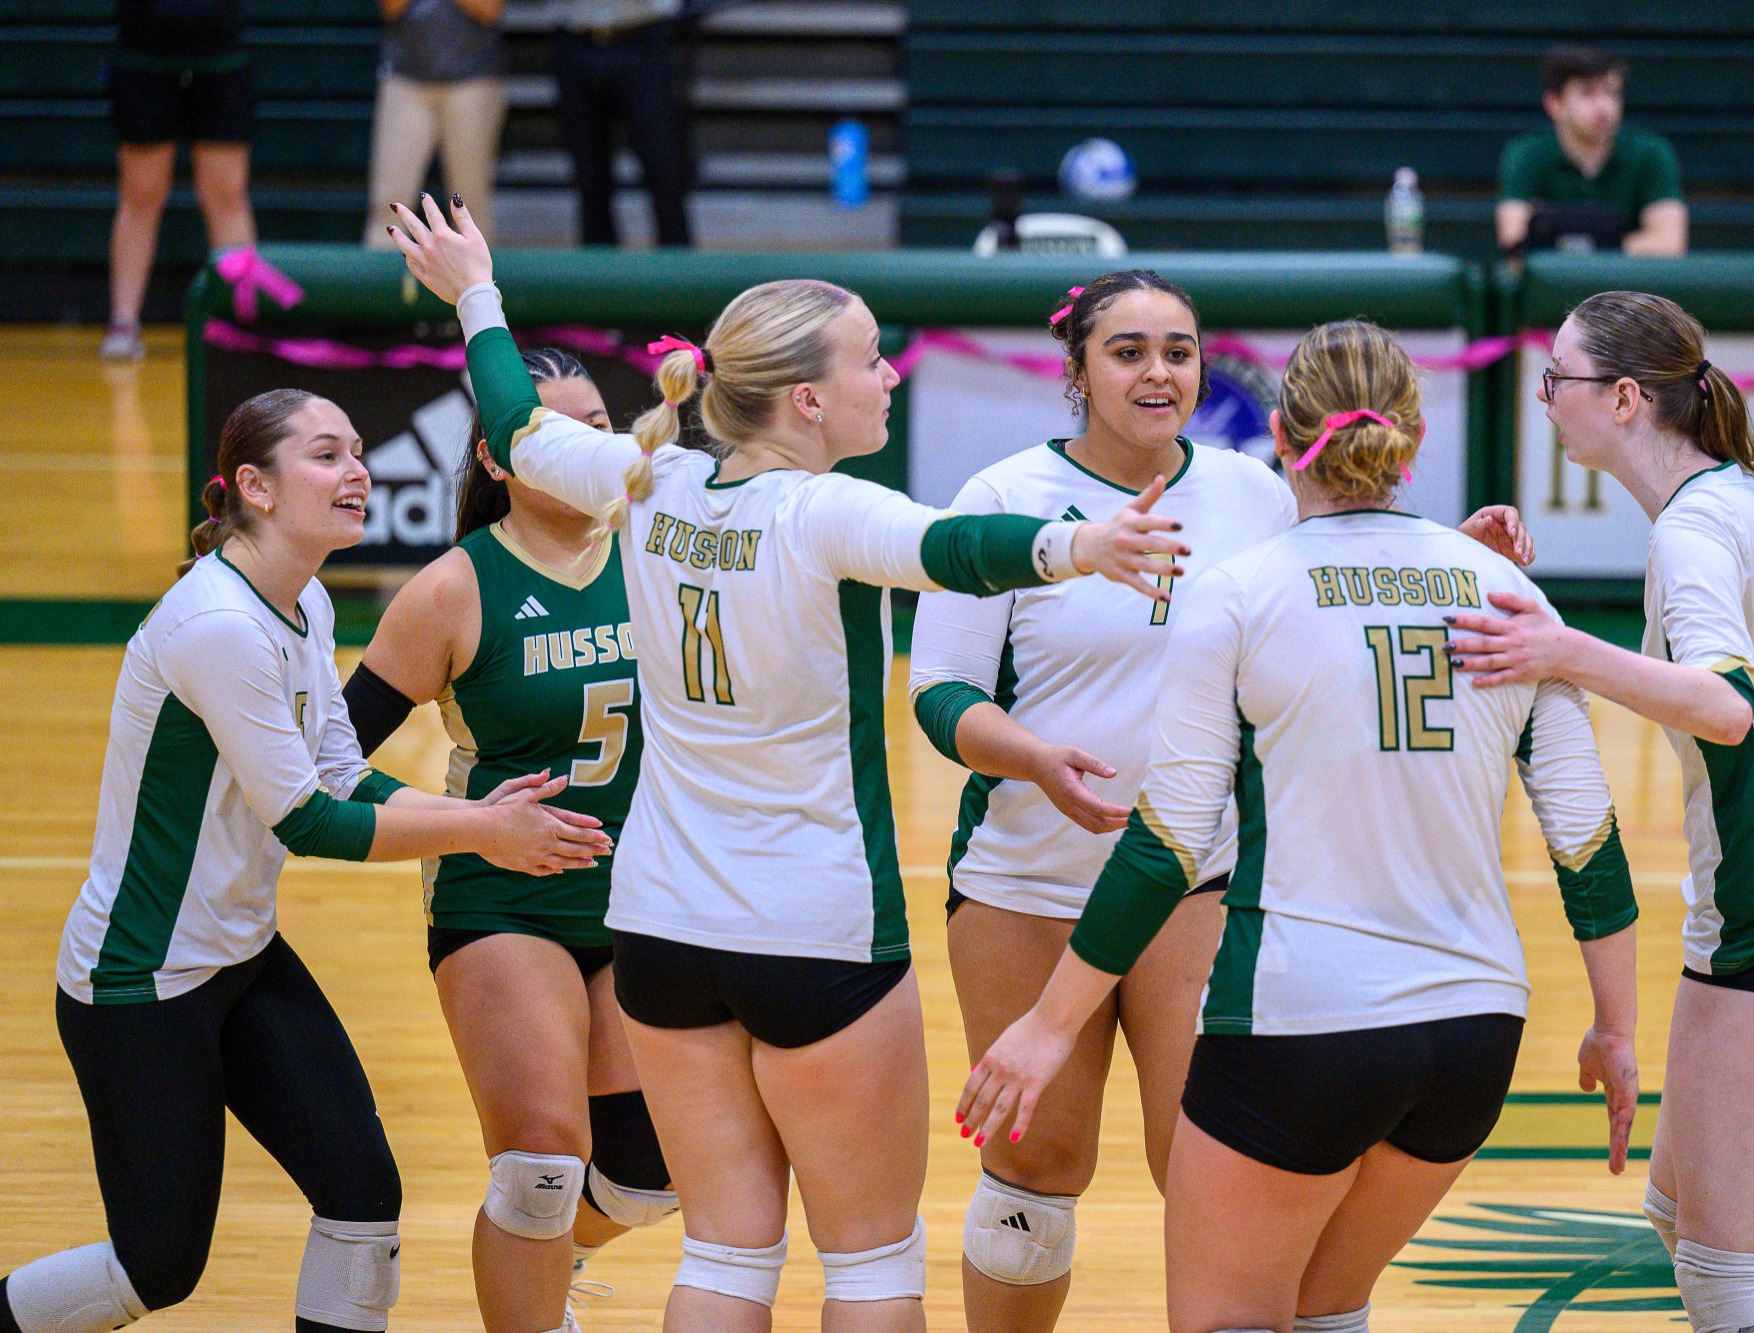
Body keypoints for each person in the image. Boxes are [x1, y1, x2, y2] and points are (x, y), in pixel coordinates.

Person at [388, 191, 1190, 1333]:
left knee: (722, 1256)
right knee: (867, 1266)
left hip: (660, 930)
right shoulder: (821, 511)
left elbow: (514, 424)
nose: (892, 376)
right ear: (809, 397)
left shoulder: (644, 481)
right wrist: (1082, 542)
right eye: (872, 360)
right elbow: (955, 550)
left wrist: (476, 291)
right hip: (814, 932)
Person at [956, 318, 1641, 1333]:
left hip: (1297, 1025)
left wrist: (1045, 1029)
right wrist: (1615, 1028)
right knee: (1326, 1305)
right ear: (1410, 440)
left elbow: (1166, 845)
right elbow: (1584, 837)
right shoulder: (1506, 590)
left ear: (1278, 435)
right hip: (1472, 1033)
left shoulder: (1237, 593)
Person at [0, 389, 612, 1333]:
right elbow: (310, 820)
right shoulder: (218, 627)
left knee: (363, 1201)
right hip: (142, 979)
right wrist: (480, 831)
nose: (358, 470)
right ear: (256, 485)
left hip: (241, 958)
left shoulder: (305, 599)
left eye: (361, 450)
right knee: (157, 1266)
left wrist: (473, 814)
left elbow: (339, 769)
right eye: (328, 455)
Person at [1443, 290, 1754, 1333]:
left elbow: (1724, 705)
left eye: (1557, 377)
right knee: (1672, 1209)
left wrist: (1559, 651)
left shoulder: (1690, 535)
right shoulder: (1743, 495)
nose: (1544, 394)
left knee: (1721, 1275)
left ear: (1623, 398)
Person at [342, 350, 675, 1333]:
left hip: (648, 897)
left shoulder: (661, 546)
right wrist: (475, 826)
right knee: (537, 1166)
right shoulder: (451, 588)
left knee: (649, 1177)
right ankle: (528, 1285)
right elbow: (320, 764)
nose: (590, 450)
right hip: (504, 904)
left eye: (598, 426)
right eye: (554, 431)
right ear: (496, 456)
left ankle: (533, 1268)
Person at [103, 0, 257, 360]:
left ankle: (240, 321)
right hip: (144, 54)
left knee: (226, 195)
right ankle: (124, 321)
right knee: (141, 194)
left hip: (219, 54)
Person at [1496, 45, 1687, 258]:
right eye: (1587, 93)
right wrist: (1614, 246)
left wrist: (1576, 246)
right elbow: (1513, 245)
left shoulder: (1651, 152)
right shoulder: (1526, 153)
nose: (1603, 107)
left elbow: (1670, 244)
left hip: (1628, 286)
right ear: (1554, 104)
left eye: (1611, 93)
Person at [361, 0, 509, 247]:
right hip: (406, 80)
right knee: (389, 203)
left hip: (472, 81)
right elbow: (391, 7)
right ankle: (378, 284)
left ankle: (476, 284)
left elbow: (488, 9)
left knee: (469, 206)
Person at [551, 0, 690, 246]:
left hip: (643, 34)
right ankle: (597, 278)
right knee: (589, 175)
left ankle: (680, 277)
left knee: (665, 169)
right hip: (575, 37)